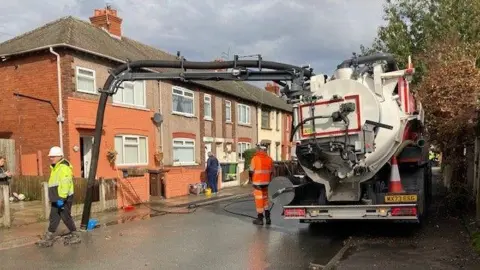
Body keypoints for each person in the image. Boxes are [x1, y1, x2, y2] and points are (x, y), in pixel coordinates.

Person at [38, 146, 80, 246]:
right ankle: (49, 236)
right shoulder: (56, 167)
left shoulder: (63, 167)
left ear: (60, 156)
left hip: (63, 198)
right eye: (50, 156)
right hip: (57, 197)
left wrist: (61, 198)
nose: (51, 158)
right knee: (54, 216)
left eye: (53, 156)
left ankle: (75, 234)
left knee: (65, 216)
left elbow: (65, 184)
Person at [249, 144, 274, 225]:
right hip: (266, 183)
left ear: (260, 150)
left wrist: (251, 180)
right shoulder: (269, 159)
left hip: (257, 183)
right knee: (265, 200)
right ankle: (268, 218)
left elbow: (251, 171)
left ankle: (260, 219)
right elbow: (271, 172)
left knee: (259, 201)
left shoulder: (255, 159)